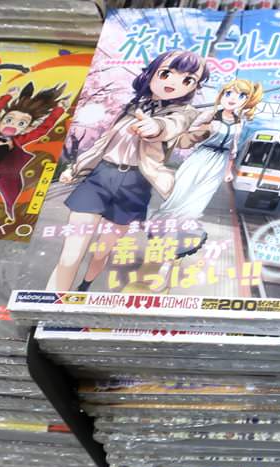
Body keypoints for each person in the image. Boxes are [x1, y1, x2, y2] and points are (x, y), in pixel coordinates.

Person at [47, 50, 209, 291]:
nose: (174, 83)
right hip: (100, 178)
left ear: (194, 87)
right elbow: (103, 144)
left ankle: (84, 287)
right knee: (71, 254)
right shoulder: (132, 106)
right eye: (166, 73)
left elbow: (171, 126)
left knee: (102, 252)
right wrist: (77, 169)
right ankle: (53, 300)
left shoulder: (184, 113)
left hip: (135, 185)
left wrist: (154, 127)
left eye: (188, 80)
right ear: (152, 73)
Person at [147, 78, 263, 288]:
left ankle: (167, 265)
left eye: (240, 96)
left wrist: (229, 170)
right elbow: (185, 136)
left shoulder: (239, 122)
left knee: (191, 211)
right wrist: (200, 130)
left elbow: (233, 148)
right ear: (222, 95)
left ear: (246, 101)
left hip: (217, 166)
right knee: (175, 204)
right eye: (228, 93)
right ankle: (162, 245)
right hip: (198, 160)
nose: (233, 99)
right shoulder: (210, 114)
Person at [0, 82, 70, 221]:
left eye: (21, 123)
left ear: (27, 128)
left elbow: (42, 130)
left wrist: (59, 110)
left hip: (5, 175)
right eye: (9, 120)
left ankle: (11, 216)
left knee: (11, 197)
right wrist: (7, 96)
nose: (12, 125)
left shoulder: (20, 139)